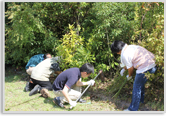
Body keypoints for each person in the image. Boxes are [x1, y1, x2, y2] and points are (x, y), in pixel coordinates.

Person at [111, 40, 157, 111]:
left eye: (117, 52)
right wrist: (124, 69)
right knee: (140, 84)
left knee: (136, 87)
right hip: (154, 65)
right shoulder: (131, 47)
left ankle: (132, 109)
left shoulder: (124, 54)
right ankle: (141, 101)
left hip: (145, 67)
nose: (118, 54)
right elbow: (130, 63)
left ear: (118, 51)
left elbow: (131, 68)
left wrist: (129, 76)